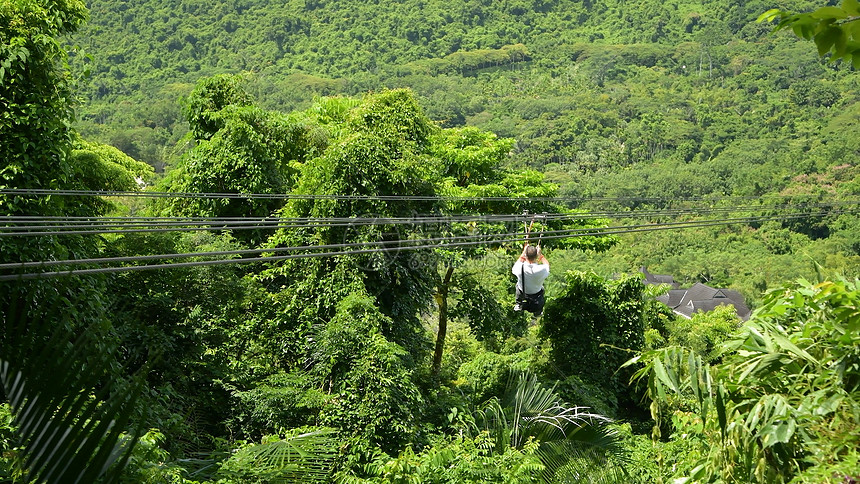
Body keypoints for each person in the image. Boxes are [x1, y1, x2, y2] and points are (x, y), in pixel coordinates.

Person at [512, 242, 549, 315]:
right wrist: (540, 255)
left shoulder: (519, 268)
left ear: (526, 255)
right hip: (536, 294)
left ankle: (518, 303)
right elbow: (547, 265)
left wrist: (523, 252)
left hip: (522, 292)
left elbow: (518, 262)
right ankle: (538, 311)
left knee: (517, 286)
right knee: (542, 290)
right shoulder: (541, 269)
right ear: (536, 256)